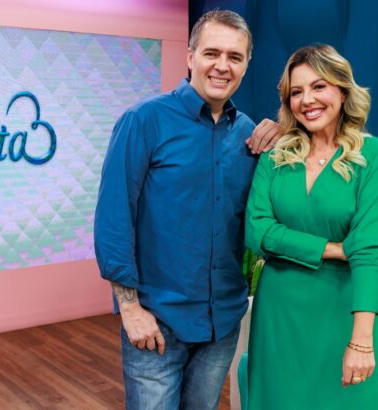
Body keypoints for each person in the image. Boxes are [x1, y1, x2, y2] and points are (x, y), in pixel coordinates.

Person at [94, 10, 280, 410]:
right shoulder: (144, 121)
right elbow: (113, 219)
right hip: (156, 322)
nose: (222, 65)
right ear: (191, 56)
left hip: (222, 323)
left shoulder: (251, 136)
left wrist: (288, 135)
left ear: (247, 65)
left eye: (235, 56)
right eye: (212, 52)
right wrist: (129, 309)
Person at [245, 44, 378, 409]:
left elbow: (369, 252)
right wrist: (332, 249)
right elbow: (257, 232)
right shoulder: (276, 156)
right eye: (296, 92)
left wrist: (361, 341)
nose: (307, 100)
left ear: (342, 91)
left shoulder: (376, 157)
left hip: (342, 312)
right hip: (278, 317)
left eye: (319, 87)